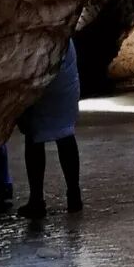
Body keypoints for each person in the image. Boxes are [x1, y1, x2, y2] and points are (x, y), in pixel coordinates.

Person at [16, 39, 84, 218]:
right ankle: (74, 195)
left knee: (34, 137)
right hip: (66, 74)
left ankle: (36, 200)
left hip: (43, 77)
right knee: (65, 133)